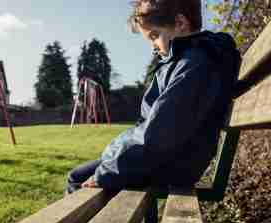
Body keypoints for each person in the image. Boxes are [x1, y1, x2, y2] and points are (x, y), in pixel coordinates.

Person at [66, 0, 241, 194]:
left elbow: (160, 135)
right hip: (162, 160)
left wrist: (105, 174)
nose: (153, 47)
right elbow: (151, 128)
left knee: (78, 180)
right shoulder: (183, 61)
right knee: (79, 176)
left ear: (181, 23)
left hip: (169, 166)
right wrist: (113, 154)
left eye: (155, 36)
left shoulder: (194, 64)